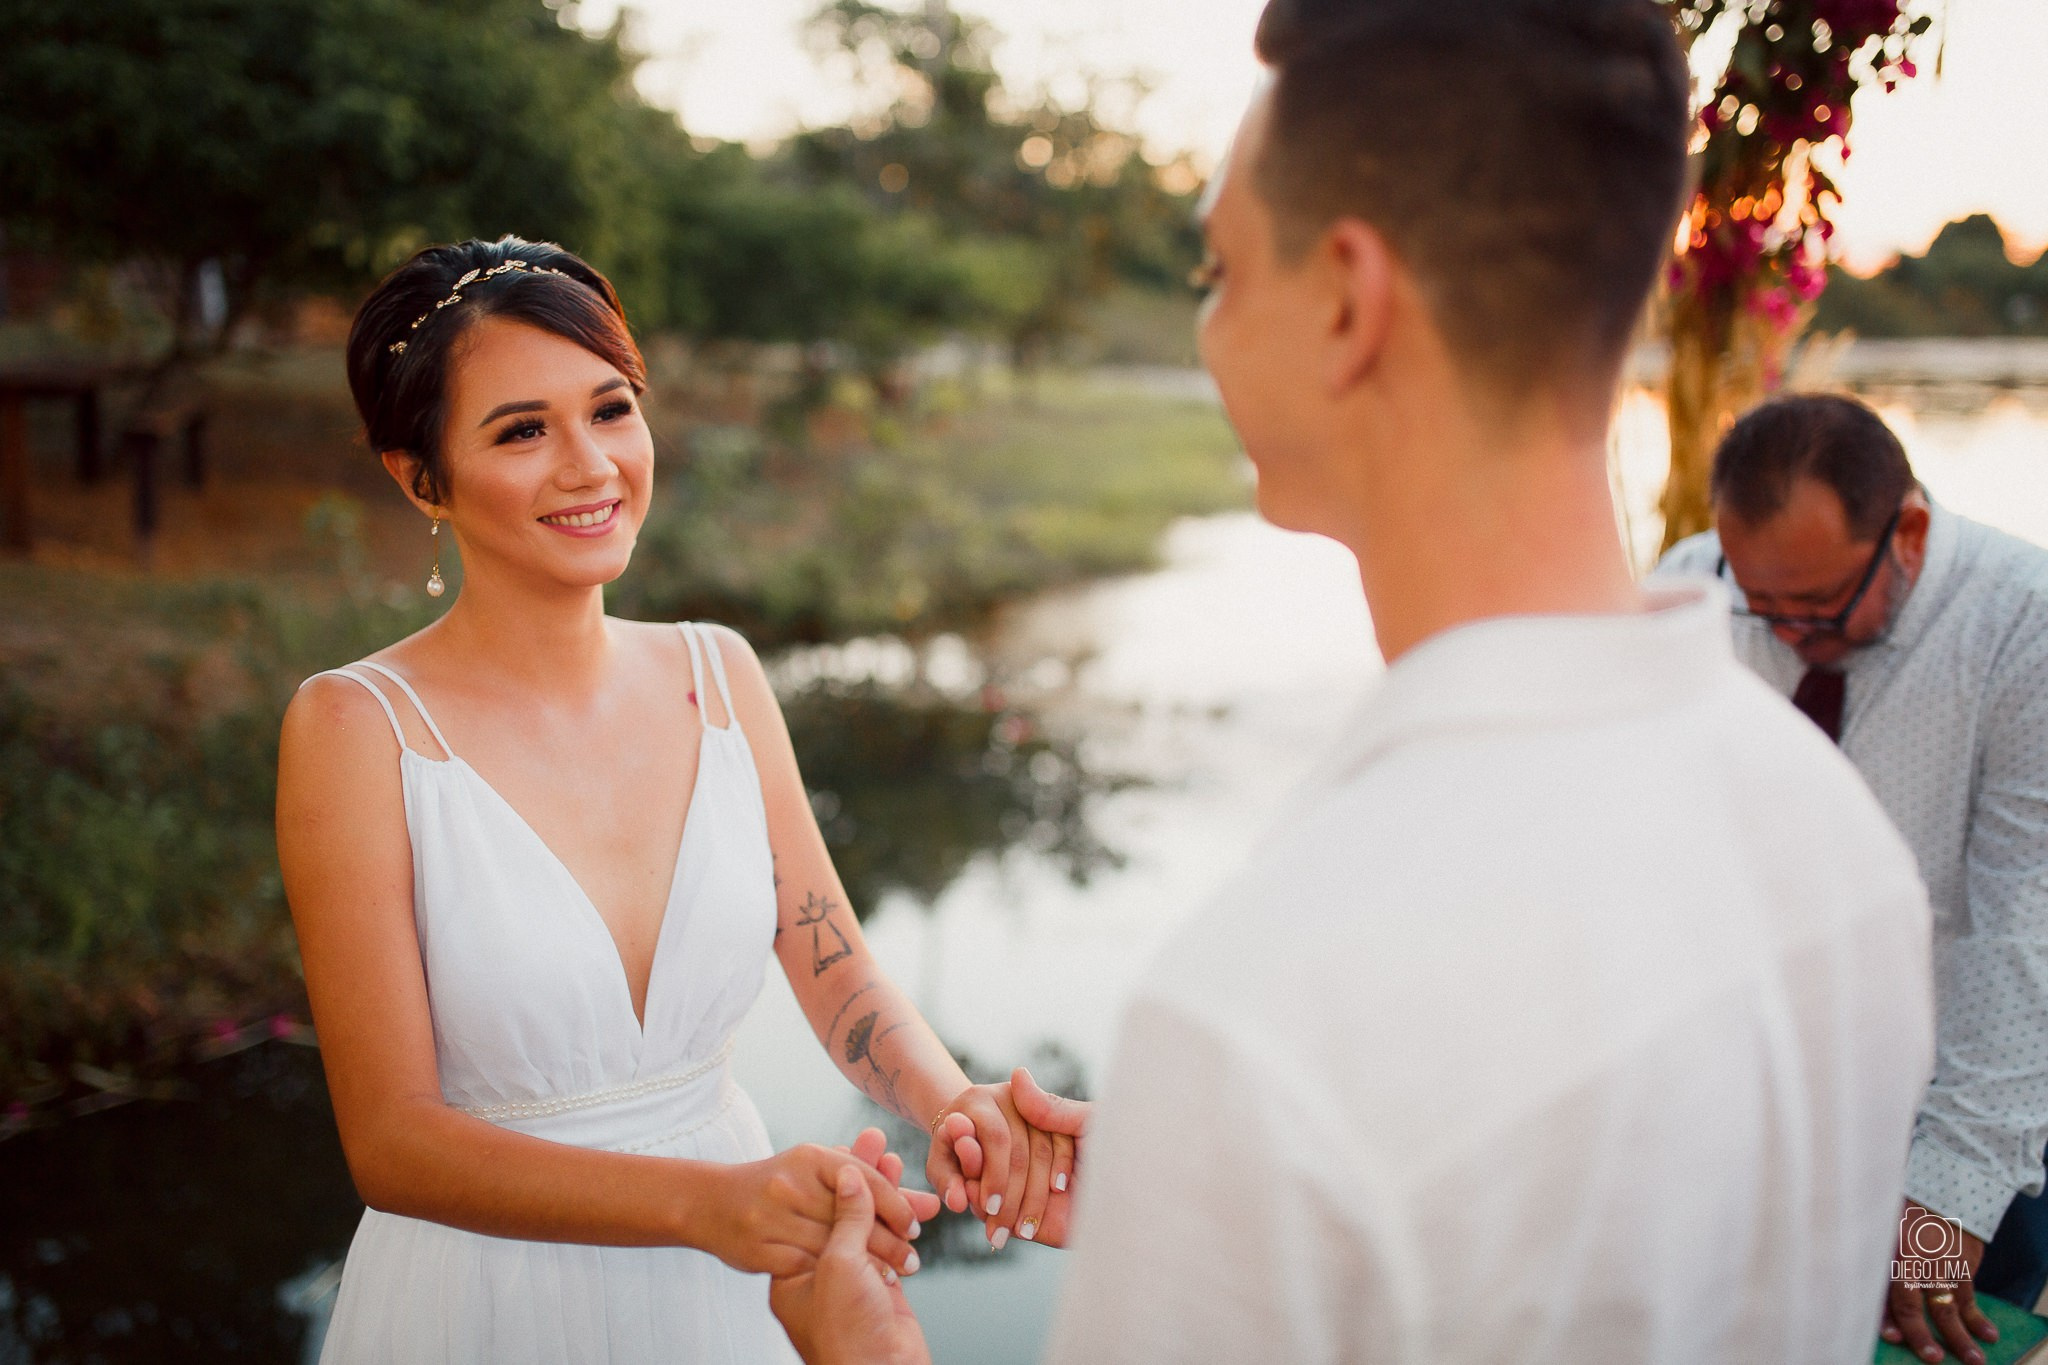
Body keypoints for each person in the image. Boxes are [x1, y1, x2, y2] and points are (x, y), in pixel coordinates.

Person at [770, 0, 1936, 1362]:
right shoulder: (1832, 828)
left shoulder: (1274, 1007)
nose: (1206, 329)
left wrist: (864, 1346)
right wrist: (1229, 1219)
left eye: (1217, 272)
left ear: (1346, 300)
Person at [275, 236, 1069, 1363]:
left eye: (611, 410)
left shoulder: (720, 675)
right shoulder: (355, 730)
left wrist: (952, 1106)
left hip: (731, 1283)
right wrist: (701, 1206)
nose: (591, 464)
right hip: (489, 1299)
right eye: (520, 430)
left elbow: (833, 961)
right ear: (419, 477)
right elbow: (393, 1146)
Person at [1660, 392, 2048, 1365]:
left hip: (1965, 1106)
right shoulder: (1690, 592)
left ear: (1907, 533)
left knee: (1936, 1336)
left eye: (1819, 607)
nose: (1787, 633)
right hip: (1761, 1112)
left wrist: (1940, 1212)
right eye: (1764, 606)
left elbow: (2020, 935)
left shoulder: (2023, 627)